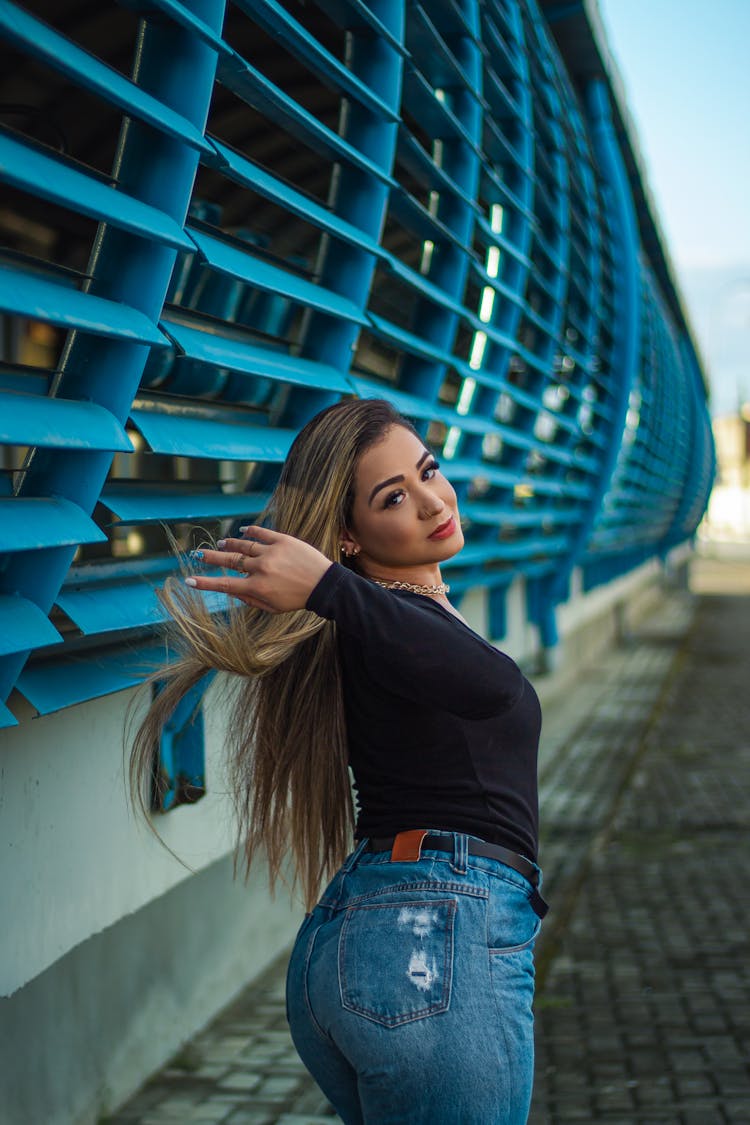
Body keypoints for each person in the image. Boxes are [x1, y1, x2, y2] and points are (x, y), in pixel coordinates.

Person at [130, 397, 547, 1125]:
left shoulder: (388, 625)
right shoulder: (369, 622)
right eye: (394, 497)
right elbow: (494, 687)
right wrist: (327, 588)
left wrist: (333, 591)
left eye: (429, 472)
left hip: (385, 939)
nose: (431, 502)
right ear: (347, 538)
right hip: (430, 944)